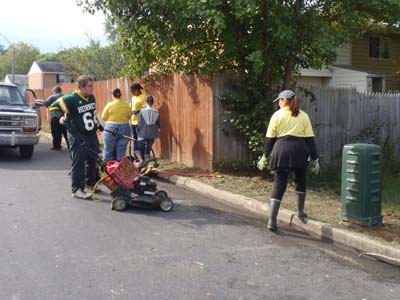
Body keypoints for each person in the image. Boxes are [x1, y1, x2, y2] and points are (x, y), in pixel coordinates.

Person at [257, 89, 320, 232]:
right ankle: (300, 213)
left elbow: (270, 139)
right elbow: (310, 140)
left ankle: (272, 220)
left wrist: (265, 156)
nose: (278, 103)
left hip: (281, 151)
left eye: (279, 100)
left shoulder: (277, 116)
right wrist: (315, 158)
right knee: (301, 181)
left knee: (279, 185)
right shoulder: (303, 116)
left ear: (284, 100)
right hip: (300, 151)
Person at [56, 75, 102, 200]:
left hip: (91, 134)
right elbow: (54, 106)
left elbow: (91, 114)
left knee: (94, 160)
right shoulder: (71, 98)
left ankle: (90, 183)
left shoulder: (91, 97)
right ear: (81, 87)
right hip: (78, 135)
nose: (92, 88)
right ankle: (77, 189)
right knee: (79, 162)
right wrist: (61, 116)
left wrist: (98, 125)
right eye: (90, 86)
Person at [101, 88, 131, 162]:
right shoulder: (126, 105)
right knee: (121, 152)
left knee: (108, 150)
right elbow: (129, 117)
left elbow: (104, 117)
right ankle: (120, 170)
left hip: (111, 128)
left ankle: (106, 170)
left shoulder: (109, 105)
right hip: (125, 127)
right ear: (120, 95)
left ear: (112, 95)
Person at [135, 95, 160, 164]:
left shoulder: (142, 111)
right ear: (153, 102)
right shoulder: (156, 112)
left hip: (143, 132)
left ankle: (140, 160)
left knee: (137, 148)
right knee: (148, 148)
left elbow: (139, 123)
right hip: (153, 133)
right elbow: (158, 124)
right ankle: (147, 164)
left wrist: (138, 130)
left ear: (146, 102)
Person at [45, 86, 69, 150]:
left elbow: (46, 103)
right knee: (67, 132)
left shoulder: (52, 97)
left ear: (55, 91)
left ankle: (57, 146)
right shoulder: (66, 96)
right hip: (66, 116)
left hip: (55, 116)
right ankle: (70, 146)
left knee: (56, 132)